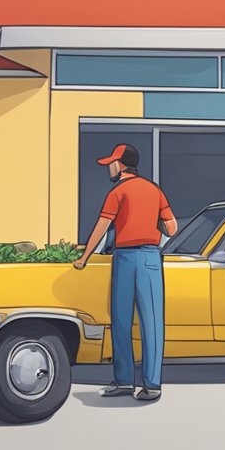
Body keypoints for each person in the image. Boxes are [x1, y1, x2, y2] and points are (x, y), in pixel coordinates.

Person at [73, 143, 177, 401]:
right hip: (150, 258)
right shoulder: (155, 190)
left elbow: (101, 227)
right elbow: (172, 228)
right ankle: (152, 385)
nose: (109, 167)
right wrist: (151, 226)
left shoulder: (117, 192)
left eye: (111, 163)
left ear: (120, 165)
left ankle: (124, 381)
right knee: (151, 322)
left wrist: (84, 258)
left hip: (124, 258)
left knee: (120, 320)